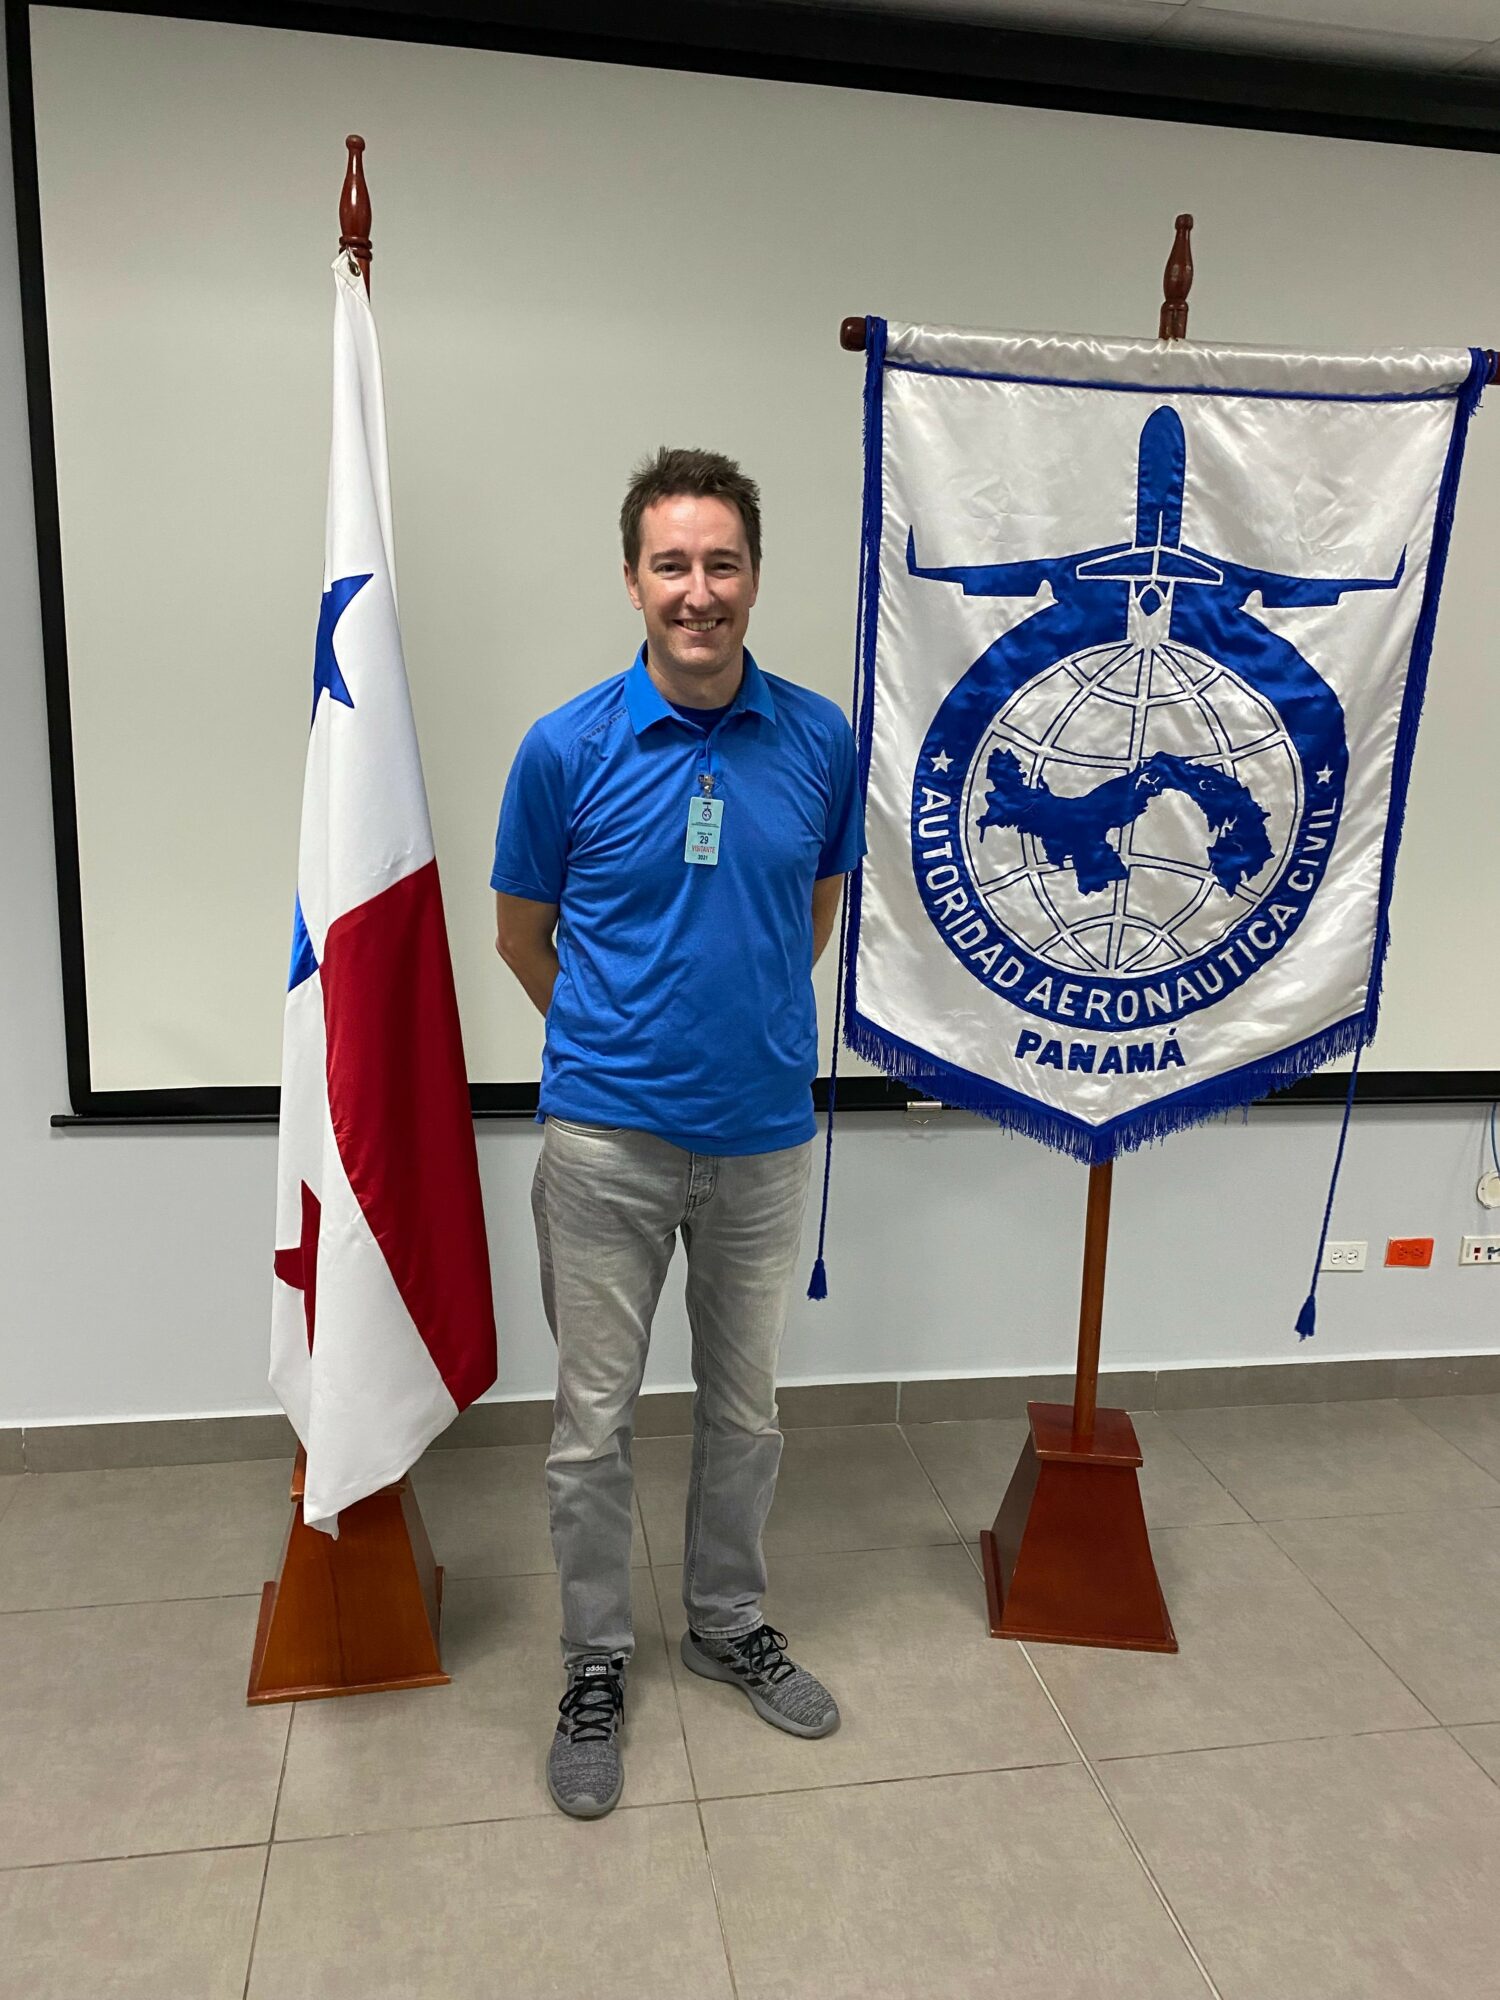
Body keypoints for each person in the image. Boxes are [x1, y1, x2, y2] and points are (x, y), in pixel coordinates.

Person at [491, 446, 863, 1820]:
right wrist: (620, 1044)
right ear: (633, 579)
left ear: (754, 577)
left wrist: (735, 1025)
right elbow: (522, 937)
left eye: (721, 564)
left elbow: (811, 909)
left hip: (762, 1141)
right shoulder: (565, 748)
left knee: (744, 1413)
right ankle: (594, 1661)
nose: (697, 592)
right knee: (591, 1428)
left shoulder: (819, 740)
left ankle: (725, 1621)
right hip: (606, 1148)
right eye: (672, 565)